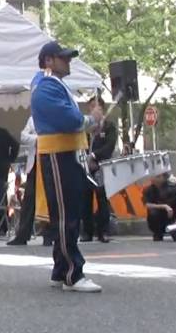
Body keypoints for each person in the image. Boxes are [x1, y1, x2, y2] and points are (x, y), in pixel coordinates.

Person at [31, 41, 104, 292]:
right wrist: (90, 119)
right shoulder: (46, 86)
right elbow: (68, 119)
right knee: (66, 215)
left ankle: (61, 269)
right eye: (63, 58)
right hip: (59, 154)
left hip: (63, 154)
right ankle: (73, 273)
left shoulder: (49, 84)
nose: (68, 61)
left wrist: (89, 122)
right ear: (49, 61)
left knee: (66, 213)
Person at [8, 114, 55, 247]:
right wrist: (38, 139)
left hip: (49, 163)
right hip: (34, 164)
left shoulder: (54, 115)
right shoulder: (33, 118)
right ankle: (22, 235)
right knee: (29, 199)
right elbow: (23, 136)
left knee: (49, 199)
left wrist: (42, 139)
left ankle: (49, 234)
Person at [82, 95, 116, 243]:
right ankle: (87, 232)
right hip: (85, 167)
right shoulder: (85, 127)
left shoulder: (109, 126)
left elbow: (109, 146)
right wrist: (85, 159)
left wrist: (95, 156)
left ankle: (104, 232)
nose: (93, 109)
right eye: (91, 107)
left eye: (96, 106)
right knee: (85, 199)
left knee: (102, 199)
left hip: (101, 166)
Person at [143, 172, 176, 241]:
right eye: (154, 176)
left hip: (171, 218)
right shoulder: (149, 190)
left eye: (158, 176)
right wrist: (164, 206)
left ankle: (175, 231)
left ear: (164, 178)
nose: (155, 179)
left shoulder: (172, 189)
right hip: (158, 218)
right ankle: (158, 233)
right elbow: (147, 204)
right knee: (153, 213)